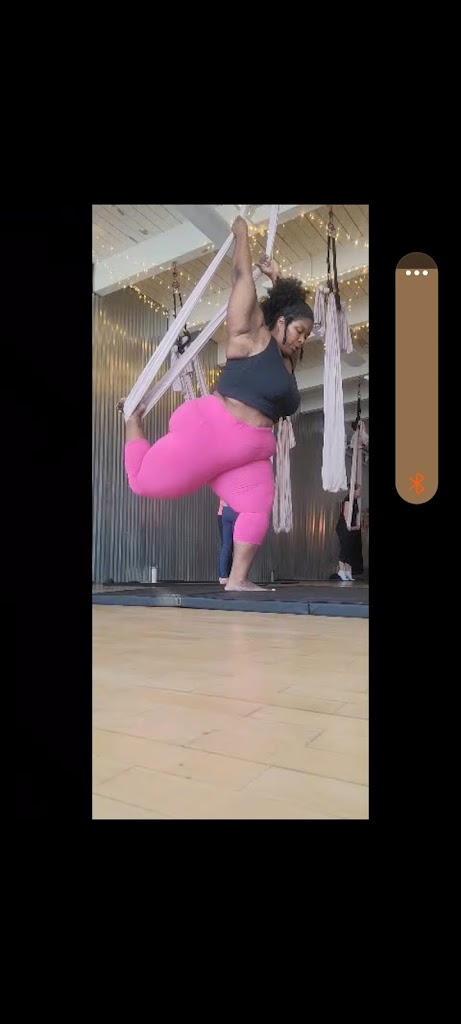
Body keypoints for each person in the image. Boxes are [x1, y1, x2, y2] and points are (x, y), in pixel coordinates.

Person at [120, 215, 314, 591]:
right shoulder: (252, 336)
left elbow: (289, 308)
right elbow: (242, 279)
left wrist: (278, 279)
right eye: (299, 331)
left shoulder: (288, 360)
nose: (302, 340)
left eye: (306, 334)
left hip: (250, 452)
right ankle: (132, 420)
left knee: (257, 505)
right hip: (212, 433)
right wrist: (242, 236)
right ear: (280, 322)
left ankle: (237, 580)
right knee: (142, 483)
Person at [335, 484, 363, 580]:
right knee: (345, 548)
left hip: (351, 527)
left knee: (350, 549)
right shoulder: (348, 500)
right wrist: (349, 527)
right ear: (354, 491)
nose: (360, 492)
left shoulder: (355, 501)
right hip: (344, 527)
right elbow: (346, 515)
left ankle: (347, 571)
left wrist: (356, 526)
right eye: (358, 490)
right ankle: (341, 570)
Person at [218, 500, 238, 584]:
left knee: (226, 545)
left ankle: (223, 576)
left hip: (224, 510)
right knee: (239, 545)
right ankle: (237, 577)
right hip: (236, 509)